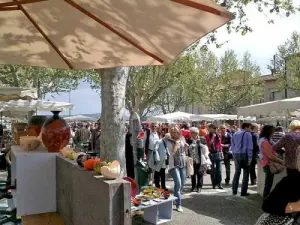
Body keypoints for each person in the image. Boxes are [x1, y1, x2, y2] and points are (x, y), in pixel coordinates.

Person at [258, 125, 284, 200]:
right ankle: (265, 201)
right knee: (268, 184)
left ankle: (266, 201)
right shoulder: (265, 141)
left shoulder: (265, 139)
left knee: (268, 183)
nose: (274, 133)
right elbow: (270, 156)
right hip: (268, 163)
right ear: (269, 132)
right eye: (273, 131)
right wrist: (281, 161)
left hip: (267, 162)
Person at [166, 126, 187, 212]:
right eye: (173, 132)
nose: (175, 134)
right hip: (174, 164)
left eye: (176, 132)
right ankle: (178, 204)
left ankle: (175, 197)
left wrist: (185, 146)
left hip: (183, 162)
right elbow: (171, 153)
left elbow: (184, 150)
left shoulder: (182, 138)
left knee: (182, 183)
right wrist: (177, 145)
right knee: (177, 182)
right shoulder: (169, 141)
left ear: (179, 132)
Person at [231, 122, 253, 196]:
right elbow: (250, 147)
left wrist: (234, 153)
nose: (250, 129)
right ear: (246, 127)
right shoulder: (248, 134)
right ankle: (243, 192)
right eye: (250, 127)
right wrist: (250, 158)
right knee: (246, 173)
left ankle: (234, 190)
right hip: (244, 155)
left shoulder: (235, 133)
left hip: (236, 154)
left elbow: (232, 145)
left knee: (237, 172)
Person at [187, 127, 210, 192]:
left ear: (196, 133)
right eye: (191, 133)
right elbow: (187, 149)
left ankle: (199, 187)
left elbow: (205, 148)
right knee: (192, 174)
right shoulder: (189, 140)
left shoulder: (201, 139)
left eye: (193, 133)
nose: (191, 134)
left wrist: (200, 143)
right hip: (191, 159)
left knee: (200, 173)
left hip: (200, 159)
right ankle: (193, 186)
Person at [205, 124, 223, 189]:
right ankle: (214, 184)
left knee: (219, 170)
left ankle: (219, 183)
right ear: (210, 129)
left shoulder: (219, 135)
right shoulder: (207, 136)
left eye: (216, 128)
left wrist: (222, 152)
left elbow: (219, 145)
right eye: (214, 128)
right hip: (211, 153)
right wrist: (213, 137)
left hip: (218, 153)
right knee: (213, 170)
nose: (215, 130)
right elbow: (209, 144)